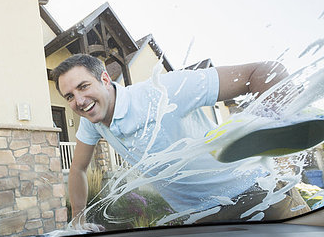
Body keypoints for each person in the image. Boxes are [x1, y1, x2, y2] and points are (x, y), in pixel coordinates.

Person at [52, 54, 310, 227]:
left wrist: (277, 119)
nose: (79, 101)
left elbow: (264, 70)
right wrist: (78, 219)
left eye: (84, 87)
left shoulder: (163, 90)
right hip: (202, 220)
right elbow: (78, 169)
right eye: (69, 96)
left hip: (261, 193)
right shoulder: (90, 122)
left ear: (105, 79)